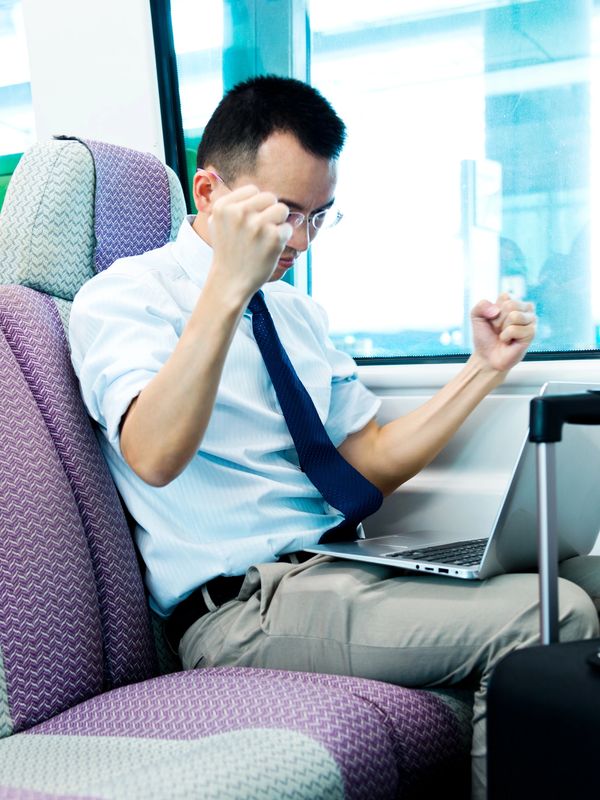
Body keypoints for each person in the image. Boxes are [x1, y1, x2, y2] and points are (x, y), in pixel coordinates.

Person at [69, 76, 599, 798]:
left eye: (320, 217)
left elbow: (368, 461)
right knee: (552, 613)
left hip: (336, 566)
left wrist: (484, 371)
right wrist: (227, 289)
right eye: (284, 213)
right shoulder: (124, 298)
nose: (300, 241)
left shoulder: (297, 315)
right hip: (242, 610)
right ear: (210, 193)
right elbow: (152, 455)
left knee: (593, 579)